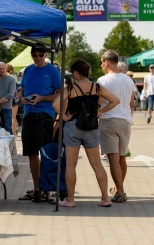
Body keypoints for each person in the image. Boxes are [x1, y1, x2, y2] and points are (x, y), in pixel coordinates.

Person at [53, 59, 120, 207]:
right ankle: (105, 198)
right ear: (87, 72)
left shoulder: (70, 88)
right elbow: (115, 100)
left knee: (71, 165)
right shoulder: (97, 87)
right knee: (97, 164)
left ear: (76, 72)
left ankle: (70, 200)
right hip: (91, 127)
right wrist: (100, 111)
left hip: (73, 127)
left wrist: (64, 117)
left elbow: (56, 104)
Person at [19, 44, 61, 203]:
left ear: (45, 55)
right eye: (35, 55)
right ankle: (37, 188)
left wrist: (41, 98)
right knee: (31, 153)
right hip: (29, 113)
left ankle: (46, 189)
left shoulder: (52, 70)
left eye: (40, 55)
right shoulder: (28, 70)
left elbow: (59, 93)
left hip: (45, 115)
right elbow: (22, 89)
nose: (37, 58)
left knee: (45, 154)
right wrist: (22, 98)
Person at [97, 50, 136, 203]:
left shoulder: (102, 81)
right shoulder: (128, 80)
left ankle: (120, 192)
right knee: (122, 158)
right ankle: (119, 187)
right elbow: (132, 103)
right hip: (125, 121)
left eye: (101, 62)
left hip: (109, 121)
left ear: (106, 62)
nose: (101, 65)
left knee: (113, 158)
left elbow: (99, 104)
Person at [5, 64, 20, 134]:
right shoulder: (14, 76)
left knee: (10, 117)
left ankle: (11, 133)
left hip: (10, 97)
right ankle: (14, 133)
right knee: (14, 116)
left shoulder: (6, 77)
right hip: (16, 97)